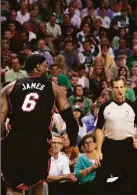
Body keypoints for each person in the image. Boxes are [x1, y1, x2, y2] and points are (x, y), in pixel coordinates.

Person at [1, 54, 79, 195]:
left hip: (14, 143)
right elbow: (71, 121)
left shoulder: (9, 88)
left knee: (14, 188)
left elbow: (0, 121)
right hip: (39, 143)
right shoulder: (54, 89)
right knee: (38, 182)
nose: (47, 68)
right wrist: (73, 143)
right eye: (45, 65)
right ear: (38, 66)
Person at [95, 77, 137, 195]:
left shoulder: (133, 106)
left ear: (125, 88)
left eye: (121, 87)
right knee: (102, 179)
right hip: (110, 145)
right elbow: (99, 129)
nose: (119, 90)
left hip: (128, 146)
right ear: (112, 89)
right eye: (116, 87)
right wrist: (98, 150)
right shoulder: (105, 106)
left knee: (133, 179)